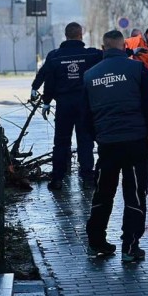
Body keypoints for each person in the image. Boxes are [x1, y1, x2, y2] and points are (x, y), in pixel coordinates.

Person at [83, 30, 148, 262]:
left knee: (103, 193)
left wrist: (99, 137)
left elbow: (85, 117)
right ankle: (130, 247)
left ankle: (96, 242)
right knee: (135, 194)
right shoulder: (137, 69)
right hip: (135, 142)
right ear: (123, 47)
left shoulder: (89, 75)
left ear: (103, 48)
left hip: (107, 144)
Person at [41, 22, 103, 190]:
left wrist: (46, 101)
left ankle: (58, 179)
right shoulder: (90, 55)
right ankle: (87, 178)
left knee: (61, 142)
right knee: (85, 141)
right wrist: (131, 51)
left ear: (66, 35)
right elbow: (112, 54)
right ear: (81, 35)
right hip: (84, 105)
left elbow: (49, 82)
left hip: (64, 105)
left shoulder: (55, 56)